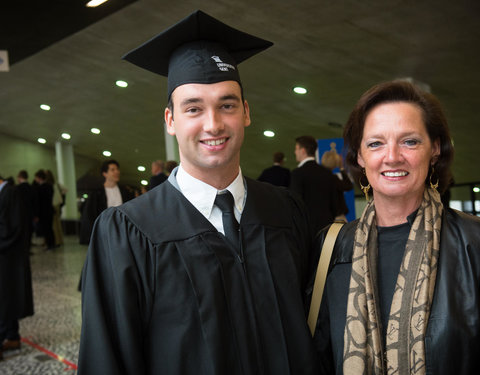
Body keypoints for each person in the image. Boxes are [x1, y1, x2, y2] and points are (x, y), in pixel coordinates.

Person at [78, 10, 318, 375]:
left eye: (227, 104)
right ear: (170, 120)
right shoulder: (128, 231)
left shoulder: (285, 212)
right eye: (193, 108)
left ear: (247, 113)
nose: (213, 124)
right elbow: (107, 360)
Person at [313, 80, 480, 375]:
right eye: (376, 143)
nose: (392, 157)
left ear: (435, 149)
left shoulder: (473, 242)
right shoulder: (332, 249)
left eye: (410, 141)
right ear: (360, 157)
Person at [0, 175, 34, 360]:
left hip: (8, 256)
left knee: (4, 298)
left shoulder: (10, 193)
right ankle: (12, 336)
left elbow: (13, 227)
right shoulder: (6, 193)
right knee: (6, 298)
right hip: (6, 256)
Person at [290, 135, 337, 234]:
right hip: (327, 228)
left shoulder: (297, 173)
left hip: (306, 230)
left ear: (303, 151)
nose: (295, 152)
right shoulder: (327, 173)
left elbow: (296, 204)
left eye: (296, 149)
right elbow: (334, 204)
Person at [79, 160, 133, 244]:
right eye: (112, 170)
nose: (117, 172)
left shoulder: (125, 192)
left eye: (117, 169)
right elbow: (90, 216)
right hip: (104, 234)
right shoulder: (97, 194)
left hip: (123, 233)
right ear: (105, 174)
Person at [321, 148, 353, 221]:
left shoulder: (319, 178)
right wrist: (342, 168)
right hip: (336, 217)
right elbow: (348, 186)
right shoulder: (333, 179)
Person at [34, 169, 55, 250]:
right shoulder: (49, 186)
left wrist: (37, 214)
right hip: (49, 211)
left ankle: (49, 244)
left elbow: (39, 203)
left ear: (39, 178)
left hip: (43, 212)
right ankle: (51, 244)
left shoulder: (40, 188)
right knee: (50, 228)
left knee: (46, 229)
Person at [45, 170, 66, 247]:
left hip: (53, 205)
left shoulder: (48, 185)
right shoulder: (56, 184)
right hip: (58, 204)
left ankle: (56, 241)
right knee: (58, 223)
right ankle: (60, 240)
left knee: (54, 224)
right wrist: (61, 195)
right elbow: (65, 190)